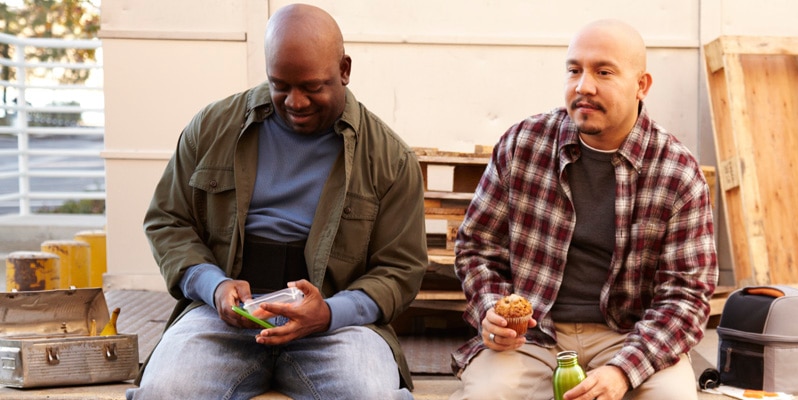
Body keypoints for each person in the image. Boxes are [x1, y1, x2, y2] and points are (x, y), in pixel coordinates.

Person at [131, 4, 426, 399]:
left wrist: (328, 314)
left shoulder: (390, 159)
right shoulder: (213, 128)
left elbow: (400, 268)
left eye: (312, 87)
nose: (295, 102)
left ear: (344, 70)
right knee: (166, 391)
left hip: (336, 327)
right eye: (280, 84)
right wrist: (213, 286)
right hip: (221, 320)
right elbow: (168, 221)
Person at [451, 19, 718, 400]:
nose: (583, 86)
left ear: (642, 85)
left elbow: (687, 296)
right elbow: (476, 246)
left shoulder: (677, 172)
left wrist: (624, 370)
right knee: (485, 395)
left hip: (629, 336)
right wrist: (491, 308)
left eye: (603, 72)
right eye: (574, 70)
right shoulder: (522, 144)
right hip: (533, 336)